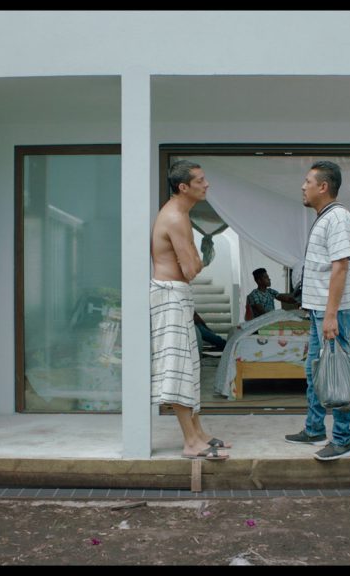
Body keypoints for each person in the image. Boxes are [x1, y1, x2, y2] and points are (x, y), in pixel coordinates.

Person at [151, 160, 231, 460]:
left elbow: (192, 264)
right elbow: (191, 268)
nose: (206, 184)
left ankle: (199, 434)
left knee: (191, 368)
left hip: (177, 294)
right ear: (183, 187)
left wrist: (194, 258)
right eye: (200, 180)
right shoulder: (175, 217)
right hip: (169, 296)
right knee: (178, 370)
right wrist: (195, 258)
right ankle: (190, 442)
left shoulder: (181, 214)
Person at [284, 161, 350, 461]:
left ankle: (343, 440)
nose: (303, 187)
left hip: (334, 312)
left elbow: (340, 267)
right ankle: (314, 428)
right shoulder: (326, 217)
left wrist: (330, 315)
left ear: (323, 187)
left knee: (336, 372)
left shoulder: (338, 218)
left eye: (308, 181)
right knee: (314, 370)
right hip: (321, 310)